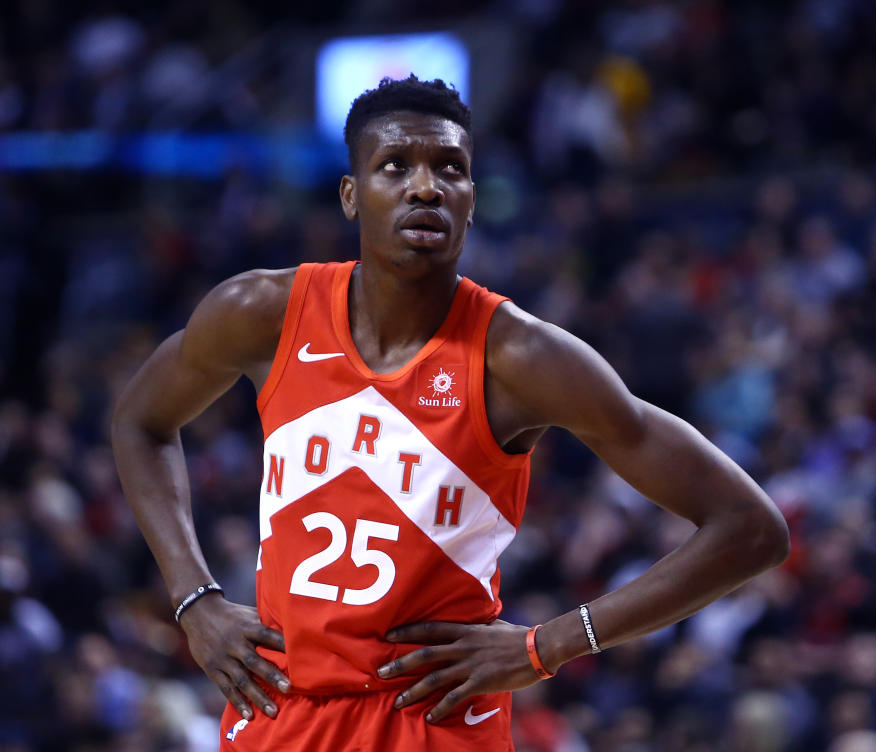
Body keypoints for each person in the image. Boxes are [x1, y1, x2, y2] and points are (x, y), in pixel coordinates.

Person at [112, 75, 790, 751]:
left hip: (431, 722)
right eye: (395, 166)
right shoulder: (261, 313)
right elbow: (139, 422)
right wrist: (194, 600)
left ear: (472, 201)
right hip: (279, 711)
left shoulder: (521, 357)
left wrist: (549, 643)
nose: (426, 186)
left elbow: (751, 527)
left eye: (451, 169)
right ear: (352, 196)